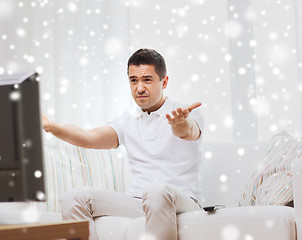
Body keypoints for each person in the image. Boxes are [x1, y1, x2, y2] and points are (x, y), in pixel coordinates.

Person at [42, 48, 204, 240]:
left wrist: (180, 123)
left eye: (147, 80)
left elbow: (187, 131)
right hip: (138, 202)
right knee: (74, 197)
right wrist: (51, 126)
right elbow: (89, 138)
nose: (140, 88)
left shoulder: (185, 113)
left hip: (182, 200)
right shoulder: (126, 121)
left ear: (164, 81)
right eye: (134, 80)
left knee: (156, 190)